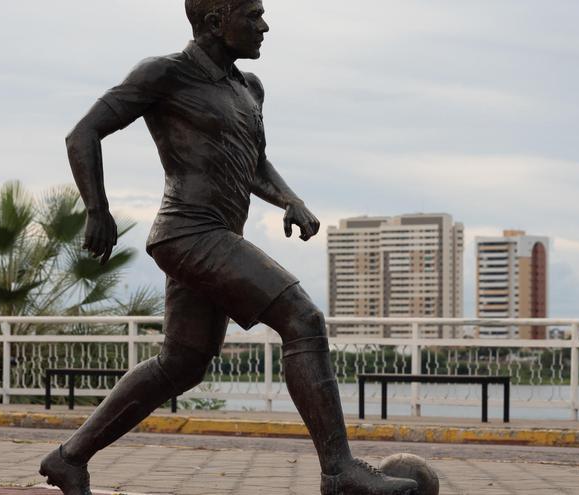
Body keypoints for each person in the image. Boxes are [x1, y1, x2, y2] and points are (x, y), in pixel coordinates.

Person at [38, 1, 418, 494]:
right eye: (253, 15)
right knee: (303, 320)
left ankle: (68, 458)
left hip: (215, 236)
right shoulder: (164, 73)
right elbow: (83, 132)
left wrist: (290, 199)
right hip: (189, 231)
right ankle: (339, 471)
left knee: (184, 361)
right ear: (217, 22)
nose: (265, 25)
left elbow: (256, 162)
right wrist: (97, 210)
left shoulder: (248, 88)